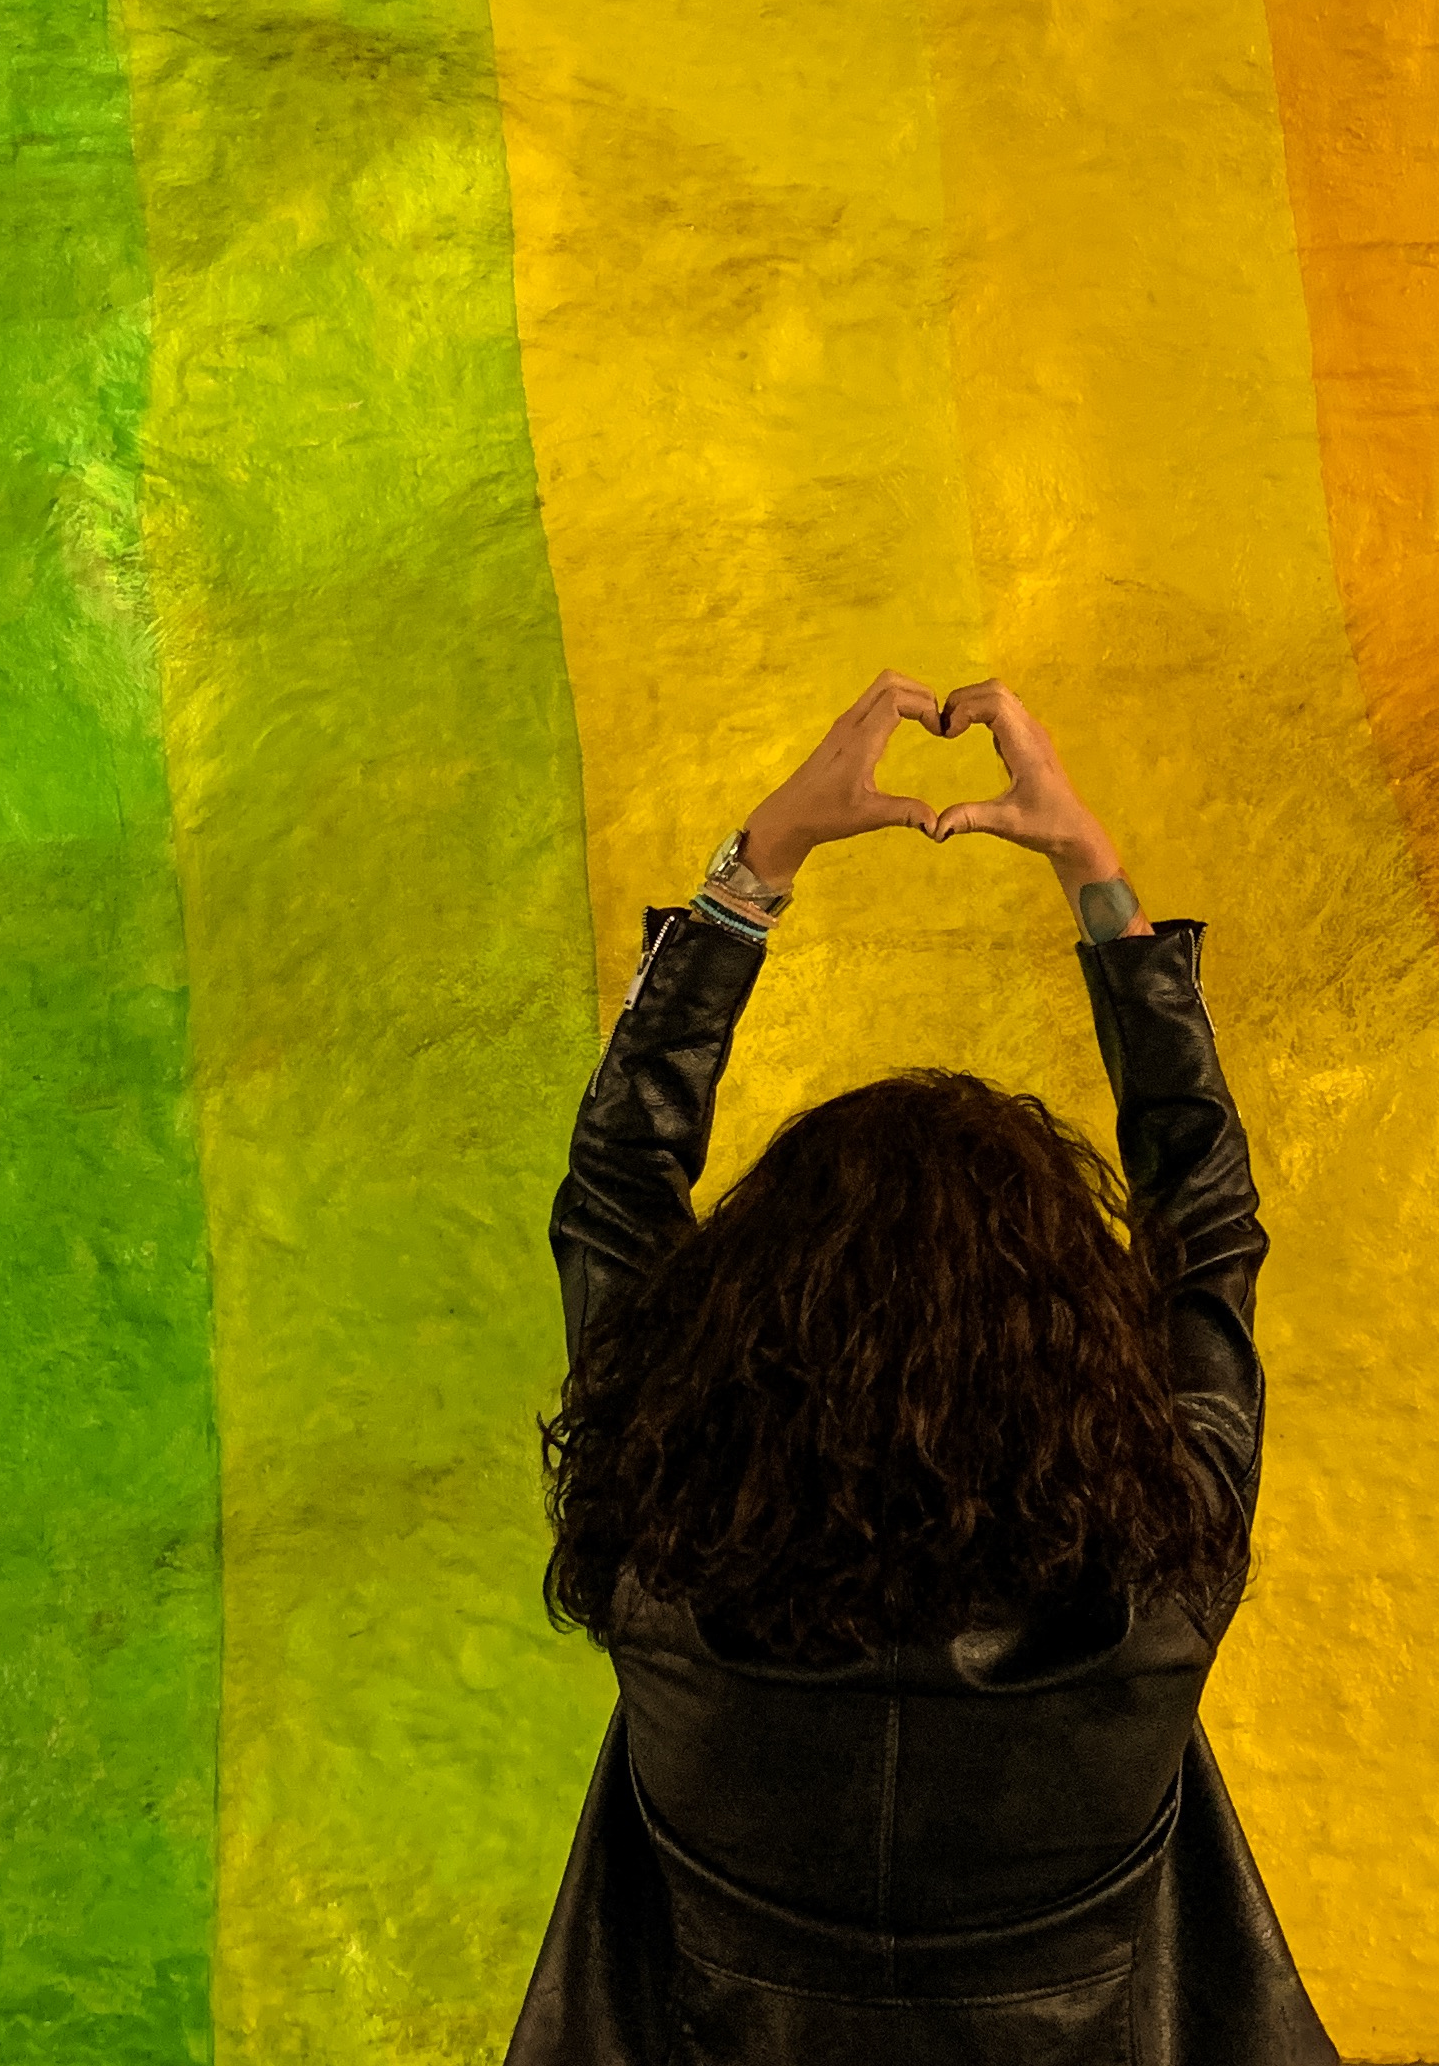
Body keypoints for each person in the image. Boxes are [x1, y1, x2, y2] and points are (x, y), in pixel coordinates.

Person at [508, 675, 1341, 2066]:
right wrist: (1095, 878)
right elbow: (1206, 1230)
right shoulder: (1160, 1592)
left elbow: (614, 1190)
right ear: (1079, 1344)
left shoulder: (657, 1554)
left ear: (736, 1331)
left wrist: (754, 870)